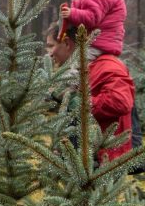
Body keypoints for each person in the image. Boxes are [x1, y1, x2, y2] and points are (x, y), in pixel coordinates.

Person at [50, 21, 135, 163]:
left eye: (51, 45)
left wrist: (82, 102)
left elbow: (120, 102)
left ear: (67, 43)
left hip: (103, 162)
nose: (51, 53)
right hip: (82, 159)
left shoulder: (107, 66)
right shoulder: (83, 69)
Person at [59, 0, 126, 58]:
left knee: (77, 67)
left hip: (98, 43)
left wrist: (72, 13)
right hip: (105, 43)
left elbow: (91, 18)